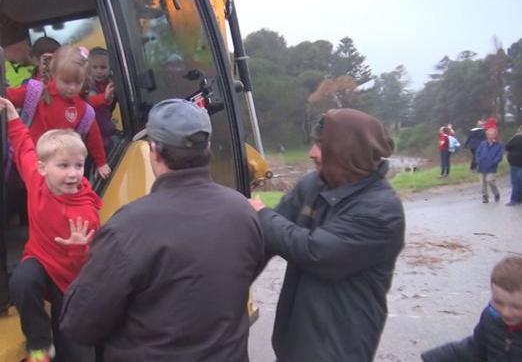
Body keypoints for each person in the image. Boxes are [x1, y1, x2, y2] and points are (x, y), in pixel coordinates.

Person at [59, 99, 265, 362]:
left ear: (154, 150)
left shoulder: (127, 227)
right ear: (208, 147)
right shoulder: (244, 213)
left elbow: (79, 324)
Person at [248, 109, 405, 361]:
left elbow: (316, 253)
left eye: (321, 145)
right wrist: (221, 288)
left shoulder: (381, 211)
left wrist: (263, 216)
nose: (312, 153)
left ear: (347, 152)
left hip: (338, 349)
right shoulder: (314, 184)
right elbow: (264, 242)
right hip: (293, 343)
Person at [0, 96, 102, 362]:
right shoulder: (36, 180)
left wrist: (79, 249)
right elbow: (23, 146)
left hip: (70, 279)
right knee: (21, 281)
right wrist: (11, 114)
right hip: (41, 261)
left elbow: (89, 264)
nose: (74, 174)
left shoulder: (85, 213)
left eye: (79, 166)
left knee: (72, 349)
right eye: (64, 166)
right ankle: (40, 343)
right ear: (43, 169)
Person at [6, 45, 111, 179]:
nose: (72, 88)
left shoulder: (84, 109)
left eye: (78, 82)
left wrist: (101, 162)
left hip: (55, 172)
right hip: (25, 163)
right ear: (54, 74)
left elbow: (94, 137)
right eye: (66, 82)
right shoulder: (36, 92)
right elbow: (8, 96)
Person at [421, 256, 522, 361]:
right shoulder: (491, 319)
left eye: (516, 307)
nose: (506, 312)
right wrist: (435, 358)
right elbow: (474, 349)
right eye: (498, 302)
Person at [83, 47, 117, 152]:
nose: (99, 71)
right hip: (93, 126)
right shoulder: (88, 84)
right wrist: (104, 98)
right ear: (89, 69)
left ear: (110, 68)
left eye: (103, 67)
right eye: (95, 67)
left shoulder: (112, 82)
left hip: (106, 124)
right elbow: (89, 101)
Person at [476, 128, 504, 203]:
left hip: (492, 167)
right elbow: (478, 153)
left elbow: (499, 156)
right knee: (482, 183)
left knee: (490, 180)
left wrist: (494, 162)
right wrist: (478, 160)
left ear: (495, 135)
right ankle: (485, 196)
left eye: (492, 134)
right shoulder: (482, 143)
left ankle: (496, 193)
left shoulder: (498, 145)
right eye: (489, 134)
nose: (490, 136)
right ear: (486, 135)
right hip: (482, 166)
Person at [504, 125, 522, 206]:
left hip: (515, 163)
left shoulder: (516, 138)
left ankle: (514, 199)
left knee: (515, 182)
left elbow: (507, 147)